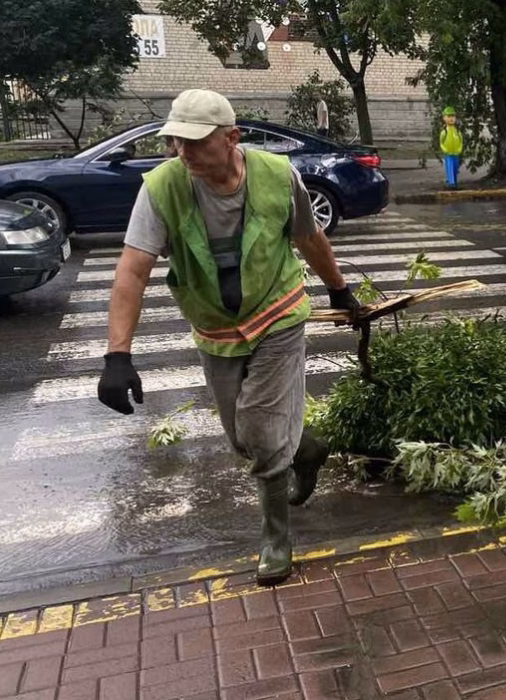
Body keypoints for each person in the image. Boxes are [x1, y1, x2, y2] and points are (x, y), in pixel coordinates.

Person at [96, 89, 364, 587]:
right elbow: (132, 272)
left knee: (261, 433)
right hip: (215, 329)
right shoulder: (161, 188)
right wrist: (117, 355)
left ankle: (275, 538)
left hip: (278, 315)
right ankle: (307, 450)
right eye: (176, 142)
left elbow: (309, 237)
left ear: (232, 138)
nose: (184, 152)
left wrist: (340, 291)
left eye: (195, 142)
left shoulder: (276, 175)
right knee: (242, 437)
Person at [440, 107, 464, 188]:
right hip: (448, 153)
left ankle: (455, 181)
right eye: (449, 116)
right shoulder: (444, 132)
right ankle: (451, 182)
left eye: (453, 116)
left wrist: (460, 148)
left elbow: (461, 141)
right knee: (449, 167)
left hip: (456, 153)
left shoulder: (457, 131)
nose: (451, 119)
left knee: (455, 167)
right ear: (444, 118)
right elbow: (441, 142)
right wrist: (444, 149)